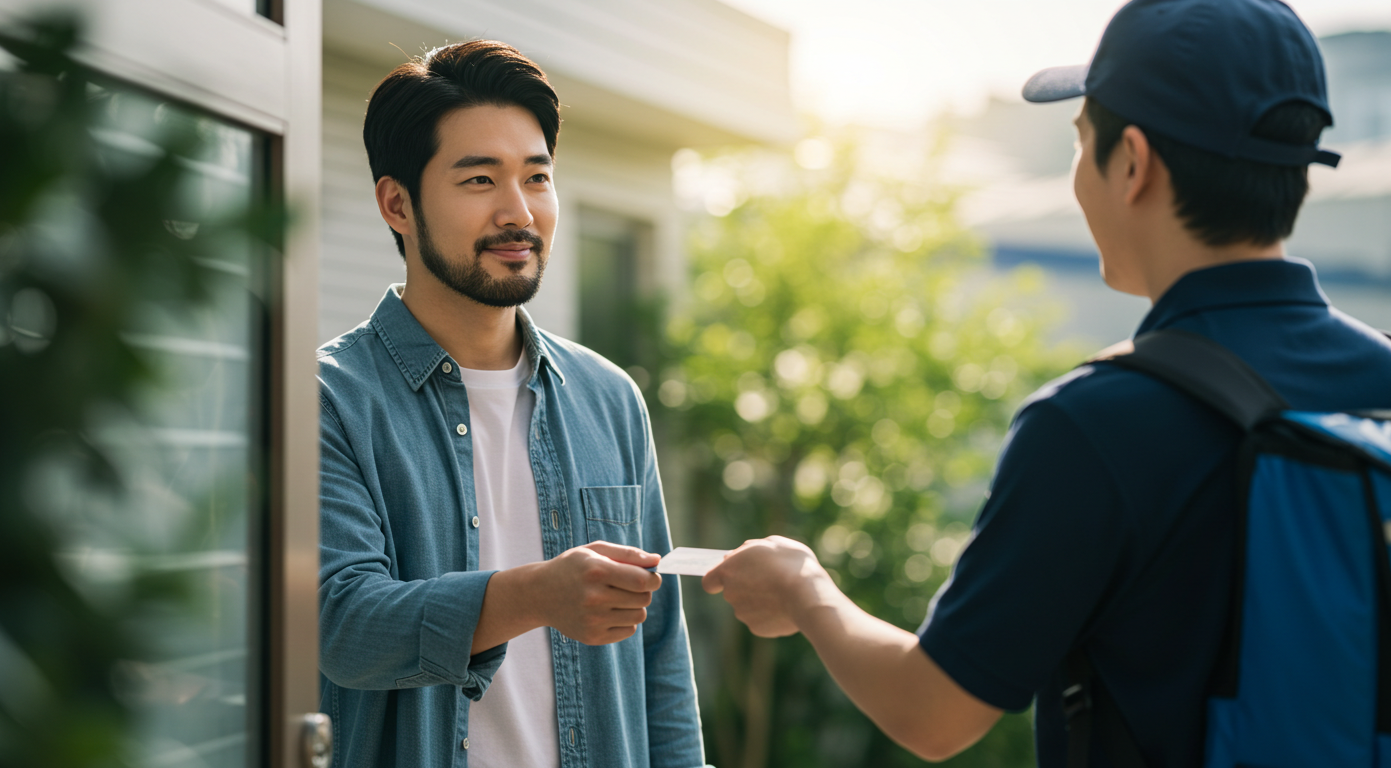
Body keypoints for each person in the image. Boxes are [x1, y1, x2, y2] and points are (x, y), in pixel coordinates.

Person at [701, 0, 1391, 764]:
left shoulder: (1098, 423)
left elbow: (935, 712)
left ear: (1131, 162)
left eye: (1079, 143)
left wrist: (805, 590)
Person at [317, 40, 705, 768]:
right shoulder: (330, 398)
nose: (518, 212)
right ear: (397, 204)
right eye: (479, 181)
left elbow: (660, 663)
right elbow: (343, 626)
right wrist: (536, 595)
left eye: (536, 177)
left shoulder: (609, 398)